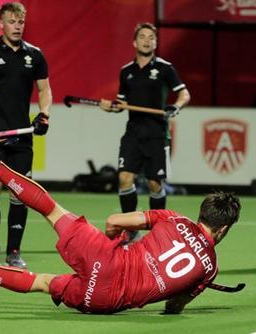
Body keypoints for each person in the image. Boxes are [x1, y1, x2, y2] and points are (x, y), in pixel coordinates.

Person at [0, 139, 240, 314]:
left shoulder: (175, 219)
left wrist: (114, 236)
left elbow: (114, 221)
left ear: (202, 213)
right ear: (224, 229)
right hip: (105, 300)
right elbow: (173, 305)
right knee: (43, 282)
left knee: (51, 209)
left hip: (105, 256)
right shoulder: (209, 268)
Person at [0, 2, 52, 268]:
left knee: (19, 193)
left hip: (21, 135)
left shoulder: (35, 55)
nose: (17, 26)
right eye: (11, 21)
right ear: (1, 23)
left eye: (20, 22)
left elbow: (44, 90)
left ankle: (14, 252)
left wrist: (44, 115)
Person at [99, 22, 191, 240]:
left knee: (154, 183)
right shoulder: (126, 71)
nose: (147, 40)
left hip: (157, 135)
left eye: (151, 37)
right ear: (134, 42)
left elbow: (184, 95)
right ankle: (130, 229)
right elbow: (121, 104)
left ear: (156, 43)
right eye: (143, 36)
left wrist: (175, 107)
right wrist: (111, 107)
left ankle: (159, 230)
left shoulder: (165, 68)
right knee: (124, 179)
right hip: (133, 134)